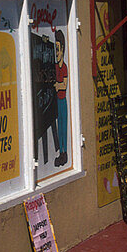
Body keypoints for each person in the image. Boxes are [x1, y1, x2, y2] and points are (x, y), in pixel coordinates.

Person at [54, 29, 68, 167]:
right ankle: (61, 153)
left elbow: (64, 84)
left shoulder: (64, 67)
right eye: (55, 49)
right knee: (59, 128)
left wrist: (57, 85)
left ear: (62, 49)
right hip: (57, 101)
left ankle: (64, 152)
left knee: (63, 127)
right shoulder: (55, 67)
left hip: (62, 100)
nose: (56, 52)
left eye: (57, 49)